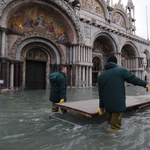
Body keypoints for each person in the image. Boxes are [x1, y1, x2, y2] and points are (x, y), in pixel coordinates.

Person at [97, 55, 149, 132]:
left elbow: (100, 94)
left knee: (109, 124)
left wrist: (101, 108)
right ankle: (111, 143)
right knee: (115, 128)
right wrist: (145, 84)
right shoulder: (121, 71)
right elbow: (133, 79)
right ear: (116, 62)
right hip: (117, 105)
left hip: (107, 106)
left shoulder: (101, 75)